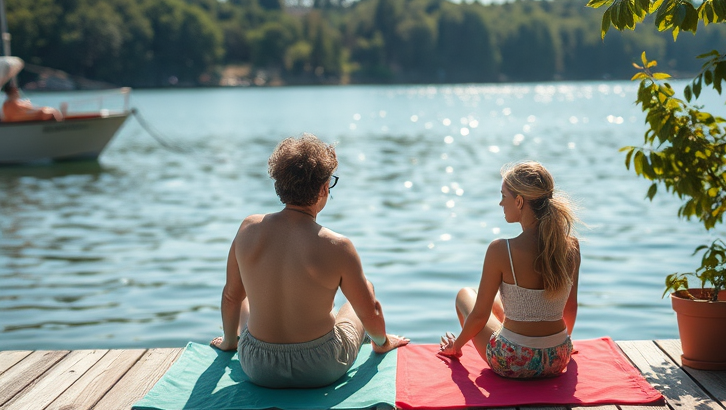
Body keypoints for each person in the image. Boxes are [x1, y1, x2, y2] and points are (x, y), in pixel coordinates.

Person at [211, 133, 409, 387]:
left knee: (244, 297)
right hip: (320, 365)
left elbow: (231, 296)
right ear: (324, 188)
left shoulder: (248, 228)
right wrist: (382, 341)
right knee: (364, 292)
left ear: (279, 184)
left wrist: (230, 342)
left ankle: (232, 339)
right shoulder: (337, 246)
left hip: (257, 364)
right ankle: (380, 345)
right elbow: (370, 313)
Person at [439, 161, 580, 379]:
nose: (500, 203)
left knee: (465, 295)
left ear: (520, 201)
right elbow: (569, 307)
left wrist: (455, 346)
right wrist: (561, 345)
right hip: (557, 358)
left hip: (513, 361)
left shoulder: (500, 249)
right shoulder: (571, 246)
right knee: (499, 302)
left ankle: (463, 348)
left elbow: (479, 316)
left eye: (504, 196)